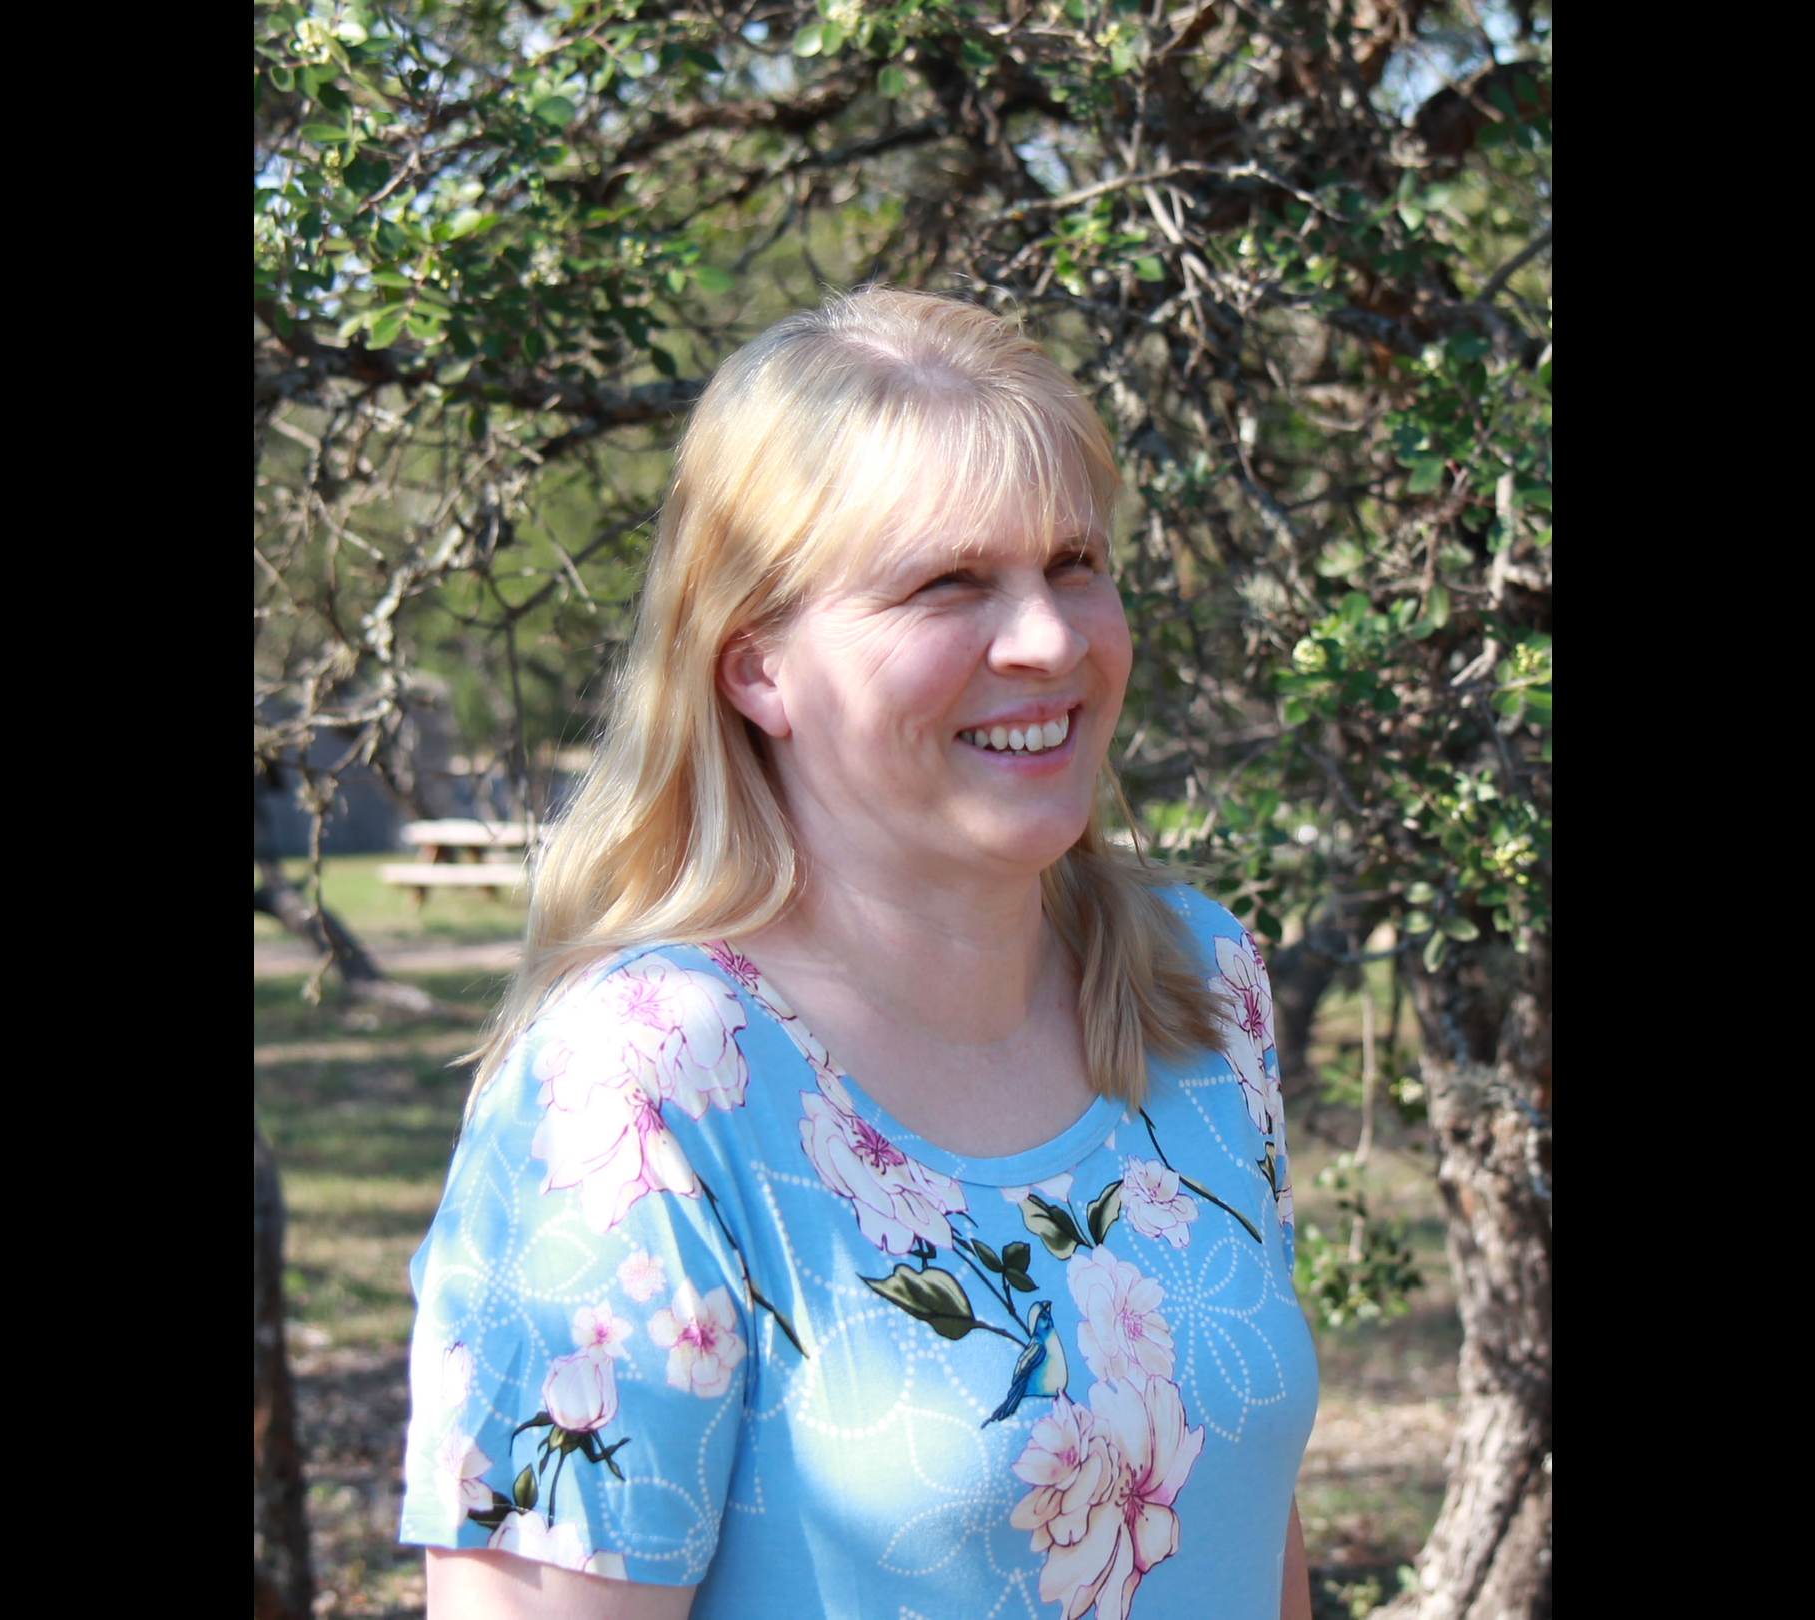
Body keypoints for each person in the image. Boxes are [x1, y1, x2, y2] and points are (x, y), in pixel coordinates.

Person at [400, 287, 1318, 1620]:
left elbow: (1242, 1522)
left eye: (1074, 563)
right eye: (950, 582)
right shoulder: (638, 1093)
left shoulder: (1197, 984)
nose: (1053, 638)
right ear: (754, 665)